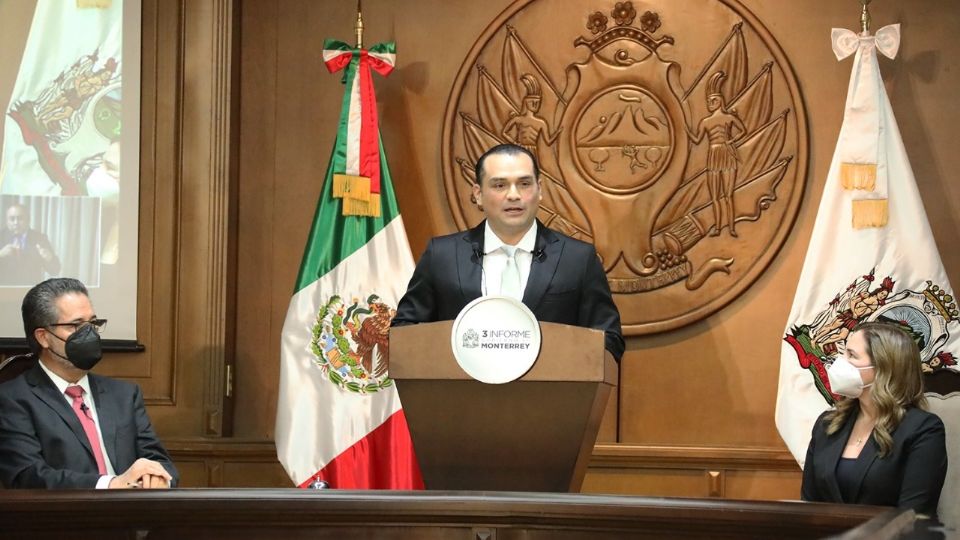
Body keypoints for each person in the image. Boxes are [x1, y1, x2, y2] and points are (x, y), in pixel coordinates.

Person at [392, 143, 624, 361]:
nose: (514, 195)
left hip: (549, 400)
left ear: (539, 190)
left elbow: (609, 341)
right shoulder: (442, 255)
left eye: (524, 184)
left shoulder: (577, 258)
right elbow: (405, 331)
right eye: (499, 185)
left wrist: (556, 357)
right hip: (463, 398)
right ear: (478, 193)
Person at [0, 278, 177, 489]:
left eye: (93, 324)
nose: (89, 334)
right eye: (76, 326)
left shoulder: (124, 395)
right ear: (43, 337)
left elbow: (160, 461)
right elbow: (28, 475)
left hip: (133, 516)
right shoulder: (13, 399)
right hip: (64, 518)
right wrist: (110, 484)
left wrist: (157, 477)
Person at [801, 322, 947, 517]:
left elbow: (913, 517)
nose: (839, 362)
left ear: (883, 367)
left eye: (852, 355)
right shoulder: (827, 423)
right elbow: (808, 506)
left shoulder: (923, 429)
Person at [0, 203, 61, 286]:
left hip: (30, 291)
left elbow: (55, 270)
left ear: (28, 220)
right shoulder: (1, 237)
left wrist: (50, 258)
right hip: (4, 291)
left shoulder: (40, 238)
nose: (16, 222)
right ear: (7, 221)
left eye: (20, 218)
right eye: (12, 219)